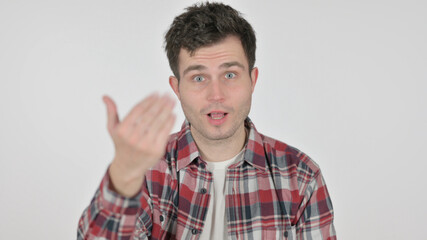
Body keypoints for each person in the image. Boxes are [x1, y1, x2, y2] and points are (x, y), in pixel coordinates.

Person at [78, 2, 336, 240]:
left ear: (252, 80)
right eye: (199, 78)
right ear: (176, 88)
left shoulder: (301, 177)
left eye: (230, 74)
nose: (216, 95)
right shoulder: (148, 171)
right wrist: (123, 176)